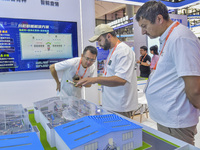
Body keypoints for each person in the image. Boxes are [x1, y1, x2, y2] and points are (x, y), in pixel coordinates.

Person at [136, 1, 200, 145]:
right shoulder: (169, 37)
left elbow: (195, 89)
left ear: (159, 19)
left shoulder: (180, 38)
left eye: (144, 26)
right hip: (168, 119)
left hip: (176, 120)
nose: (143, 32)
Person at [76, 24, 138, 118]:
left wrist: (94, 80)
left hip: (120, 106)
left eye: (100, 40)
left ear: (108, 36)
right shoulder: (113, 51)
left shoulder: (124, 51)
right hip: (111, 104)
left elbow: (121, 79)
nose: (99, 44)